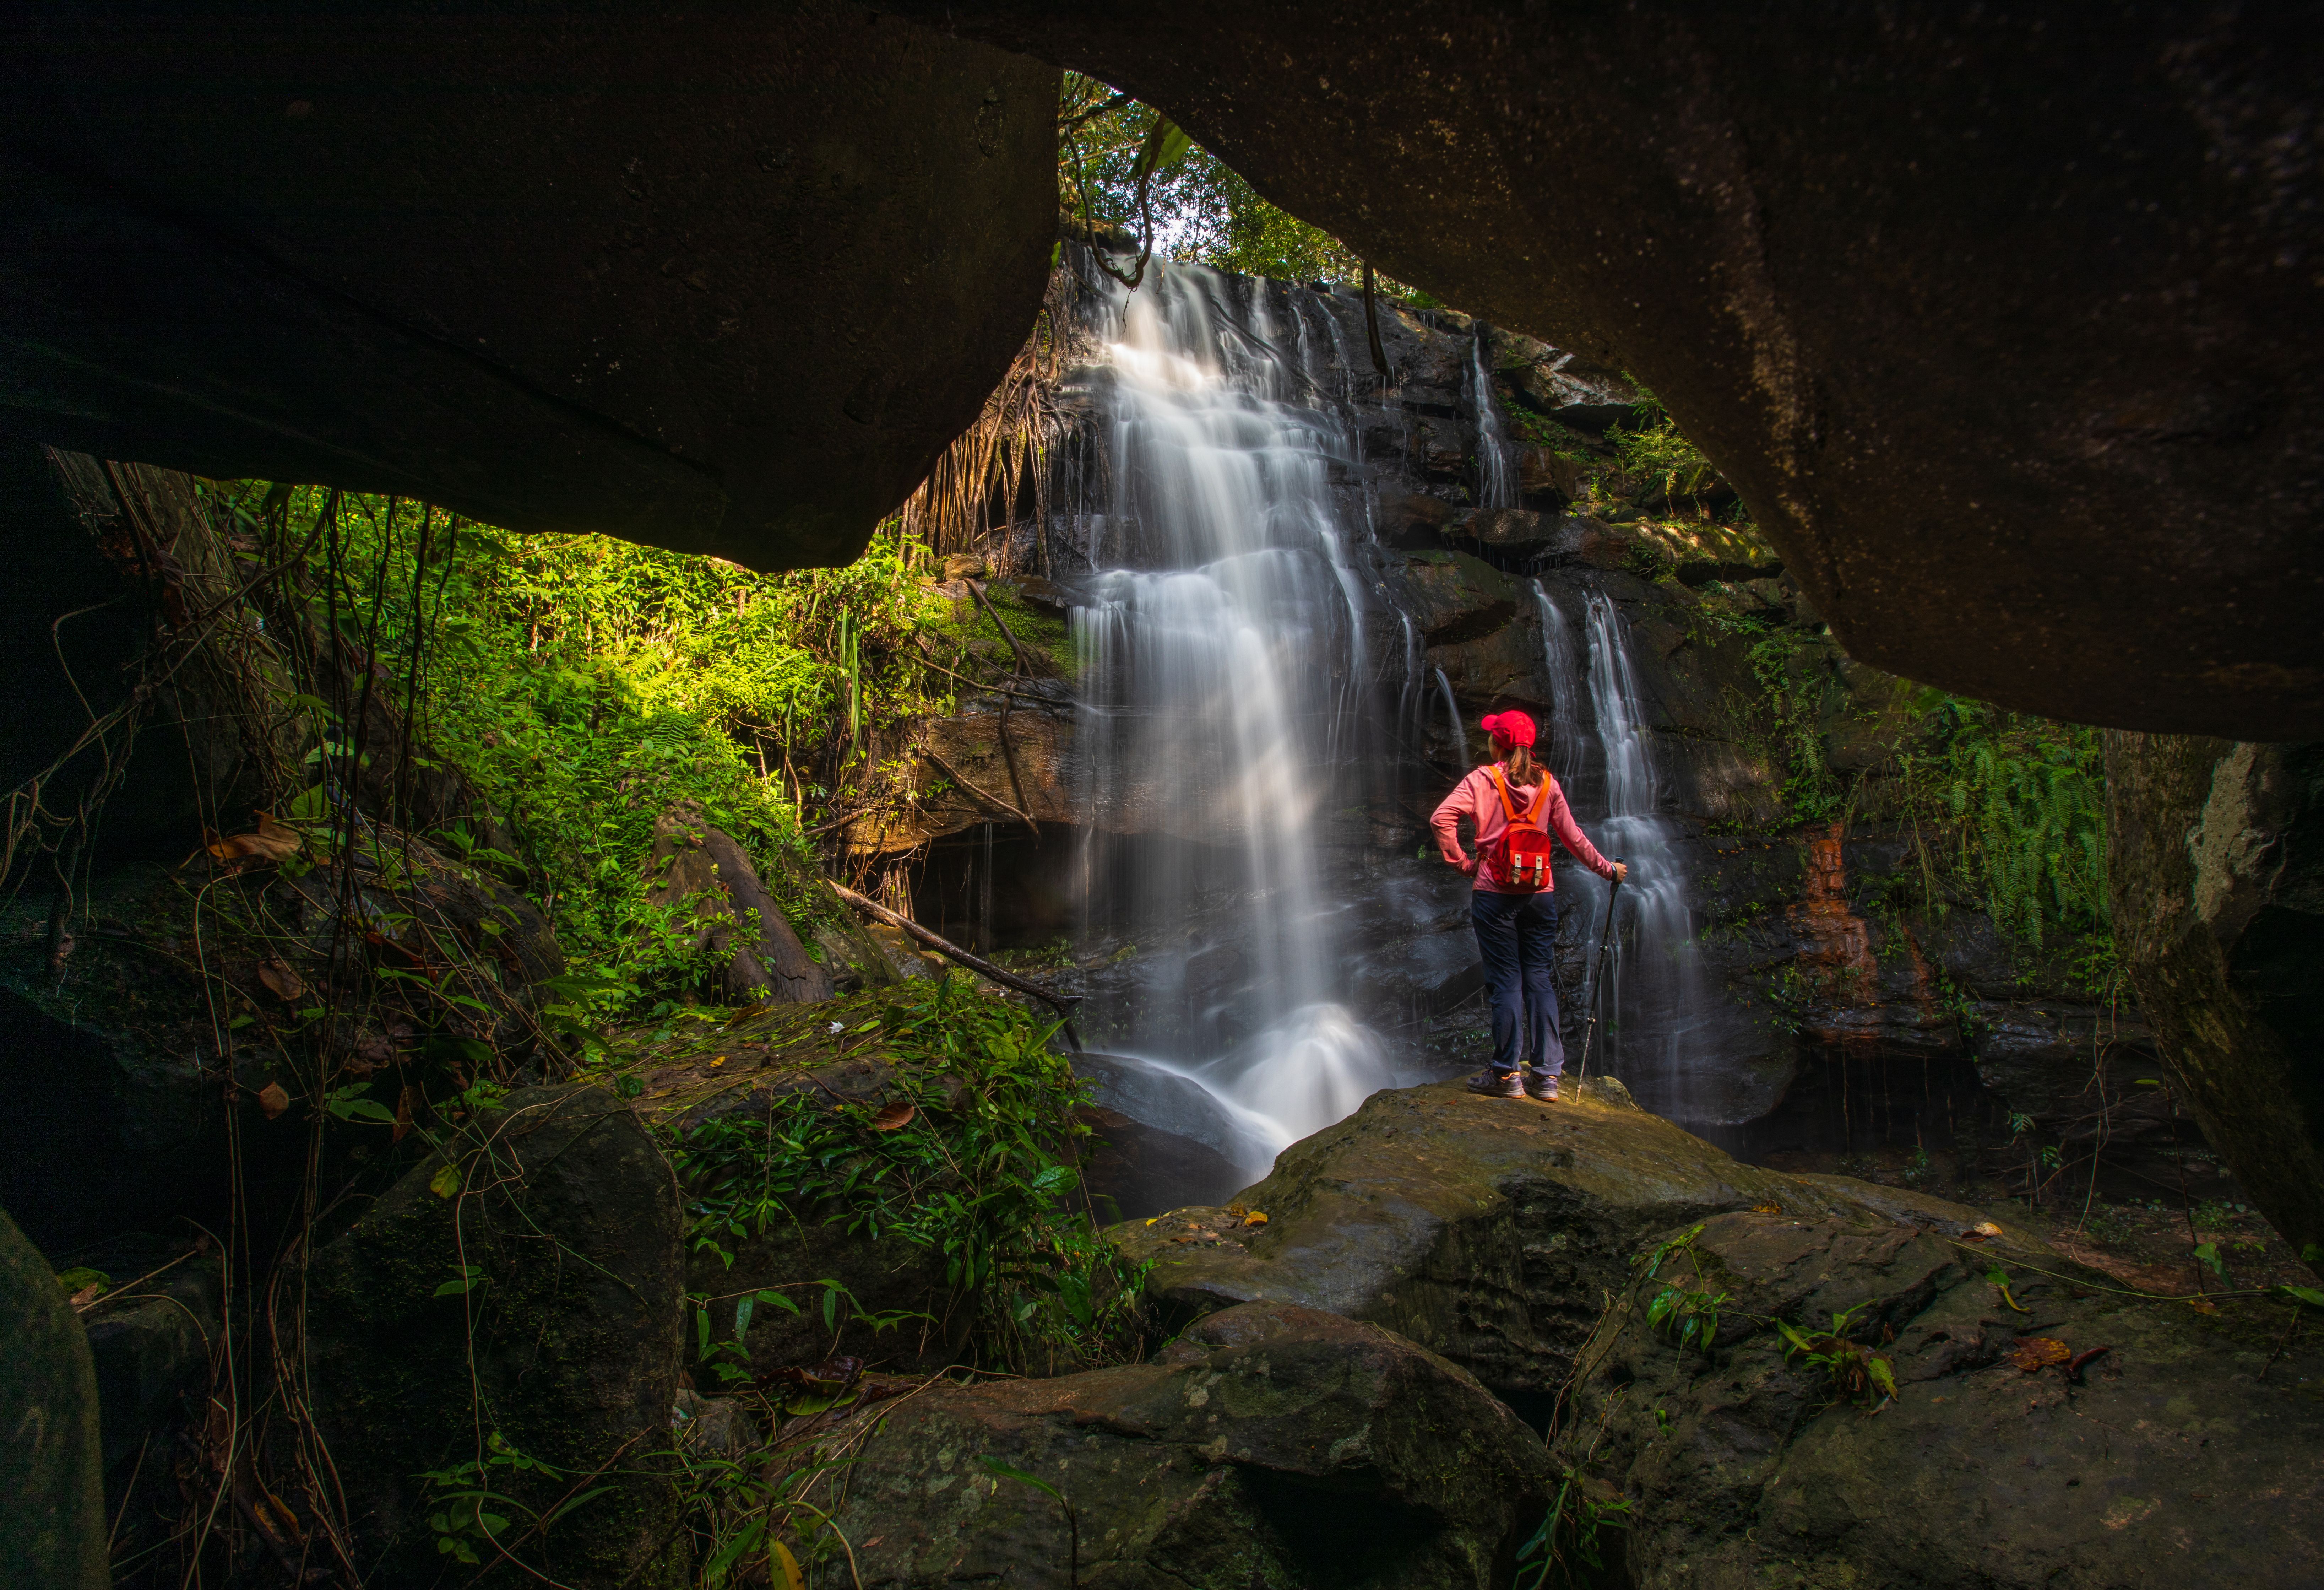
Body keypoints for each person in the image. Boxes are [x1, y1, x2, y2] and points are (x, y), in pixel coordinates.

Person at [1429, 709, 1626, 1101]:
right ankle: (1547, 1077)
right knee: (1538, 979)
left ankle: (1505, 1075)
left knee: (1505, 982)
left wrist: (1464, 864)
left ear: (1496, 744)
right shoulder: (1548, 784)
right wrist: (1609, 871)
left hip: (1494, 895)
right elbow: (1573, 838)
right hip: (1539, 895)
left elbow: (1441, 818)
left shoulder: (1482, 780)